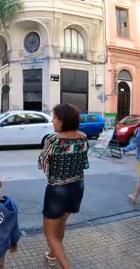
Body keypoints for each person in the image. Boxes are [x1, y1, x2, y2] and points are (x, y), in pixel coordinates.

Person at [38, 104, 89, 269]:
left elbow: (42, 164)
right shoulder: (83, 137)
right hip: (77, 187)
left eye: (54, 118)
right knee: (60, 225)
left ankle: (66, 266)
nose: (52, 121)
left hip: (57, 190)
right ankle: (52, 255)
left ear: (63, 121)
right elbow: (83, 162)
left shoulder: (54, 139)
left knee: (50, 233)